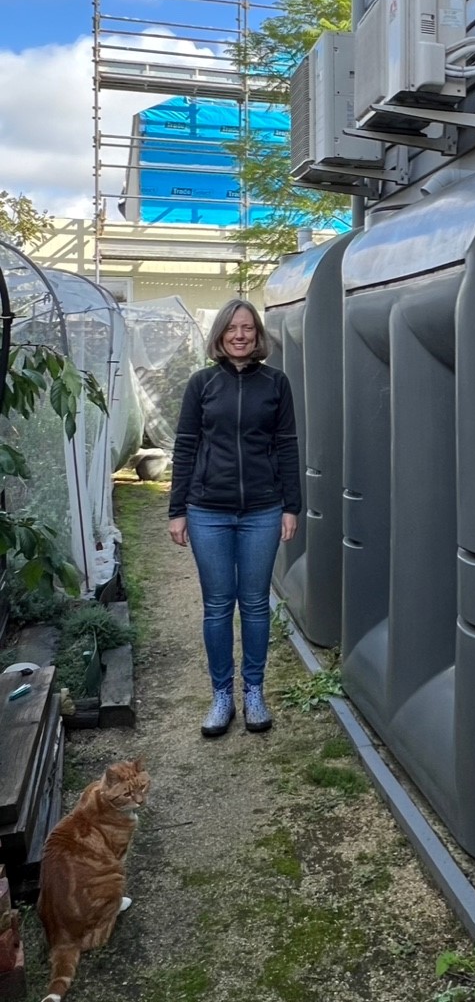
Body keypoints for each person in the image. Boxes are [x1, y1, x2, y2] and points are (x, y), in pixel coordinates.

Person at [168, 298, 301, 738]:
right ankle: (222, 695)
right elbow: (185, 446)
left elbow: (286, 445)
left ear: (258, 335)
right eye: (232, 329)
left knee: (257, 604)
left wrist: (290, 505)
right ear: (220, 335)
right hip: (208, 510)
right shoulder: (201, 384)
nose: (240, 335)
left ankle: (255, 692)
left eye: (248, 328)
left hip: (263, 509)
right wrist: (178, 510)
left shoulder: (276, 384)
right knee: (218, 606)